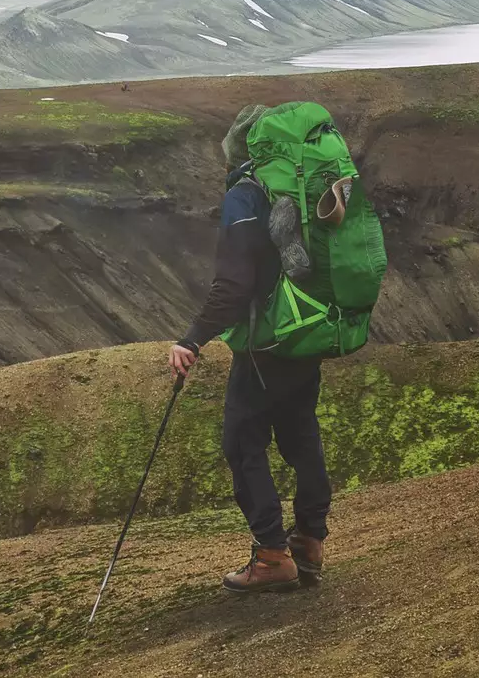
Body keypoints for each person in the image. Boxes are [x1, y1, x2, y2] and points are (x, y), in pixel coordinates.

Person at [167, 104, 332, 593]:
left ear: (238, 154)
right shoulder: (297, 187)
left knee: (242, 444)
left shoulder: (244, 197)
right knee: (302, 436)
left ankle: (272, 557)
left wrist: (193, 337)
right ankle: (310, 542)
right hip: (307, 334)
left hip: (265, 347)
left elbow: (234, 287)